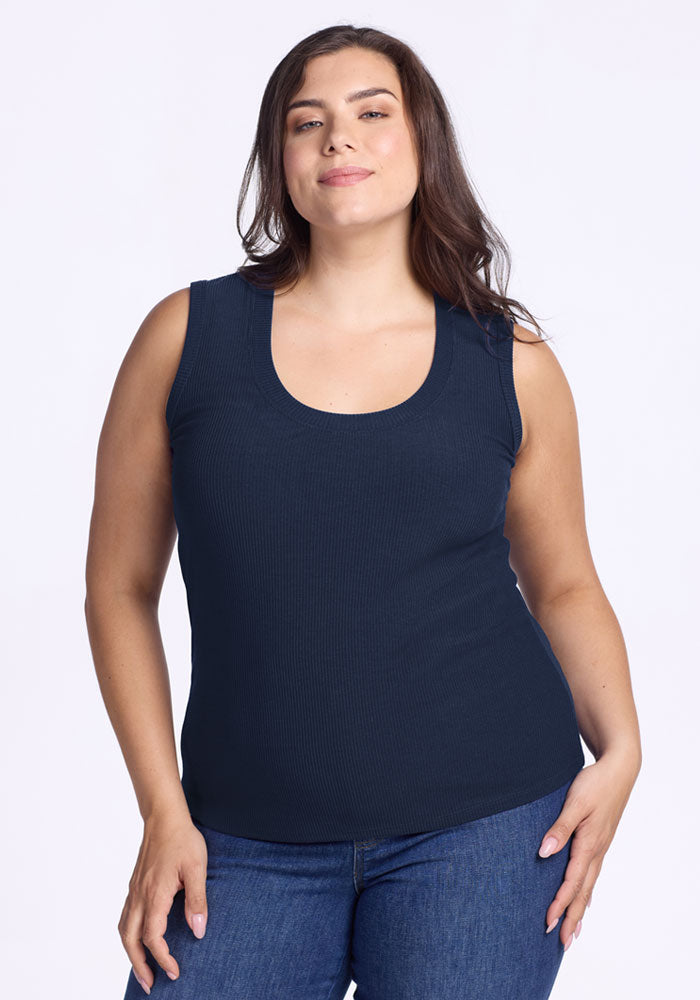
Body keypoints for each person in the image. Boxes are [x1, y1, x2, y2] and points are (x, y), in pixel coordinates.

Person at [84, 23, 642, 1000]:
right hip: (239, 838)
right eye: (308, 123)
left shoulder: (511, 365)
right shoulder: (186, 338)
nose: (339, 139)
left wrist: (624, 745)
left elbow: (560, 582)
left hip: (485, 827)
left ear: (422, 144)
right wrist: (162, 810)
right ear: (281, 163)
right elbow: (117, 587)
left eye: (371, 114)